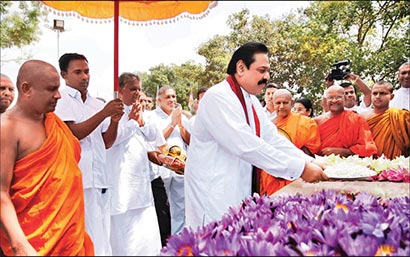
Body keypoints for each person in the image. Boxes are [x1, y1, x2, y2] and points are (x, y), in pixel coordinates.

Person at [184, 42, 328, 229]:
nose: (266, 77)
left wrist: (310, 161)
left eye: (268, 71)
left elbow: (271, 137)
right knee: (214, 242)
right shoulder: (217, 97)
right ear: (241, 68)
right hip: (213, 190)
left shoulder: (249, 99)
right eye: (261, 70)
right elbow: (246, 144)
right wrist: (300, 168)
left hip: (237, 187)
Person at [0, 60, 94, 256]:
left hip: (69, 238)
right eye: (51, 89)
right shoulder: (7, 128)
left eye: (58, 88)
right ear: (26, 89)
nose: (58, 95)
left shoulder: (54, 123)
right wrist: (20, 245)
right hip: (33, 243)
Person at [54, 53, 124, 256]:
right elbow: (73, 134)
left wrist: (114, 121)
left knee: (102, 235)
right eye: (77, 72)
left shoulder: (96, 103)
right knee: (83, 235)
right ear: (64, 75)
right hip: (79, 179)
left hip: (100, 178)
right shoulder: (62, 100)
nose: (84, 77)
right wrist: (104, 114)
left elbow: (107, 142)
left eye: (86, 71)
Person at [107, 72, 167, 255]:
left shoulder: (144, 113)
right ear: (121, 90)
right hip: (121, 181)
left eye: (139, 89)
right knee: (124, 233)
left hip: (142, 181)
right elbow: (112, 140)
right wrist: (132, 122)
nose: (137, 93)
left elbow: (154, 137)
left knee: (145, 233)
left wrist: (141, 120)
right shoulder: (111, 112)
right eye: (133, 89)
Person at [260, 89, 321, 195]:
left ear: (292, 103)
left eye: (285, 102)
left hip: (299, 174)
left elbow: (312, 150)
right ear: (273, 104)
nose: (281, 106)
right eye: (278, 103)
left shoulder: (305, 122)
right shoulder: (269, 126)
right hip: (272, 176)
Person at [150, 85, 191, 235]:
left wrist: (180, 126)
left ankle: (178, 239)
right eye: (168, 97)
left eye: (174, 96)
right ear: (158, 100)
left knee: (180, 207)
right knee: (161, 207)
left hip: (180, 168)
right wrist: (172, 123)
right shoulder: (151, 117)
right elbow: (156, 141)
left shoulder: (182, 116)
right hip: (162, 168)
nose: (172, 100)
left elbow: (189, 141)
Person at [314, 85, 377, 157]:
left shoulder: (357, 119)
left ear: (344, 98)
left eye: (338, 97)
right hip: (321, 164)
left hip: (350, 164)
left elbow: (368, 147)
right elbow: (310, 148)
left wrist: (343, 151)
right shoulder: (317, 121)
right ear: (326, 100)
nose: (334, 100)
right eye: (330, 97)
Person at [360, 81, 410, 159]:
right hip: (367, 164)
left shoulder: (401, 116)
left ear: (392, 96)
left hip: (396, 166)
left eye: (382, 93)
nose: (378, 96)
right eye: (375, 93)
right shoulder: (362, 117)